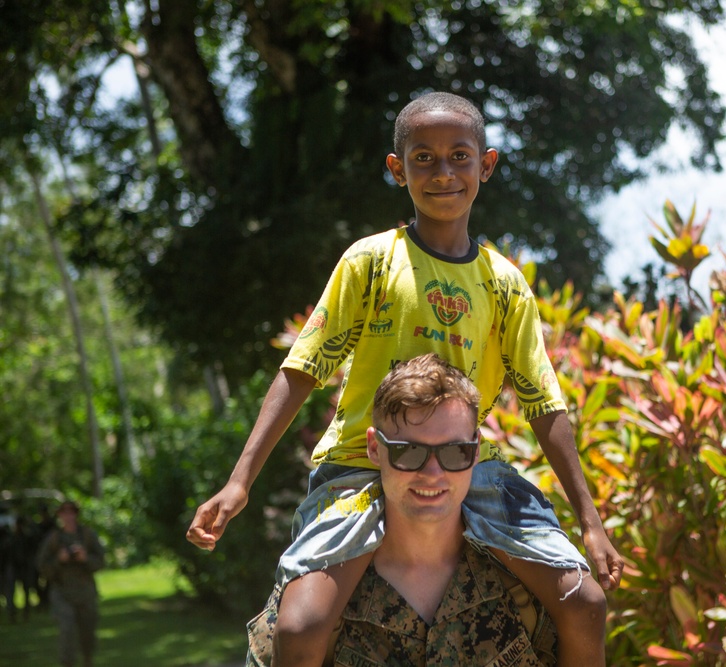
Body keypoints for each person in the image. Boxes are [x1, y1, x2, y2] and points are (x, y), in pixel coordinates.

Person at [187, 91, 622, 666]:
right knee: (302, 623)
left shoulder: (505, 285)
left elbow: (544, 404)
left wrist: (590, 523)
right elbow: (303, 368)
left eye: (459, 157)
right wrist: (240, 481)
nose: (443, 173)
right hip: (360, 466)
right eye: (423, 159)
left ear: (486, 165)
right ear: (398, 170)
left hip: (468, 464)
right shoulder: (370, 262)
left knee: (583, 602)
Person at [249, 354, 559, 665]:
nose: (432, 473)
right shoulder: (315, 601)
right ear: (374, 449)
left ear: (476, 450)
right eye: (409, 452)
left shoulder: (526, 589)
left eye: (455, 452)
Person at [37, 501, 105, 667]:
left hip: (85, 591)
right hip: (62, 592)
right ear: (59, 515)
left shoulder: (87, 535)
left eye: (71, 512)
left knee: (87, 632)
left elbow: (101, 562)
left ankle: (87, 660)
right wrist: (59, 560)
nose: (68, 516)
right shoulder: (53, 538)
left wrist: (85, 558)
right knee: (66, 628)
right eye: (64, 512)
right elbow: (41, 565)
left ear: (76, 514)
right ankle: (67, 663)